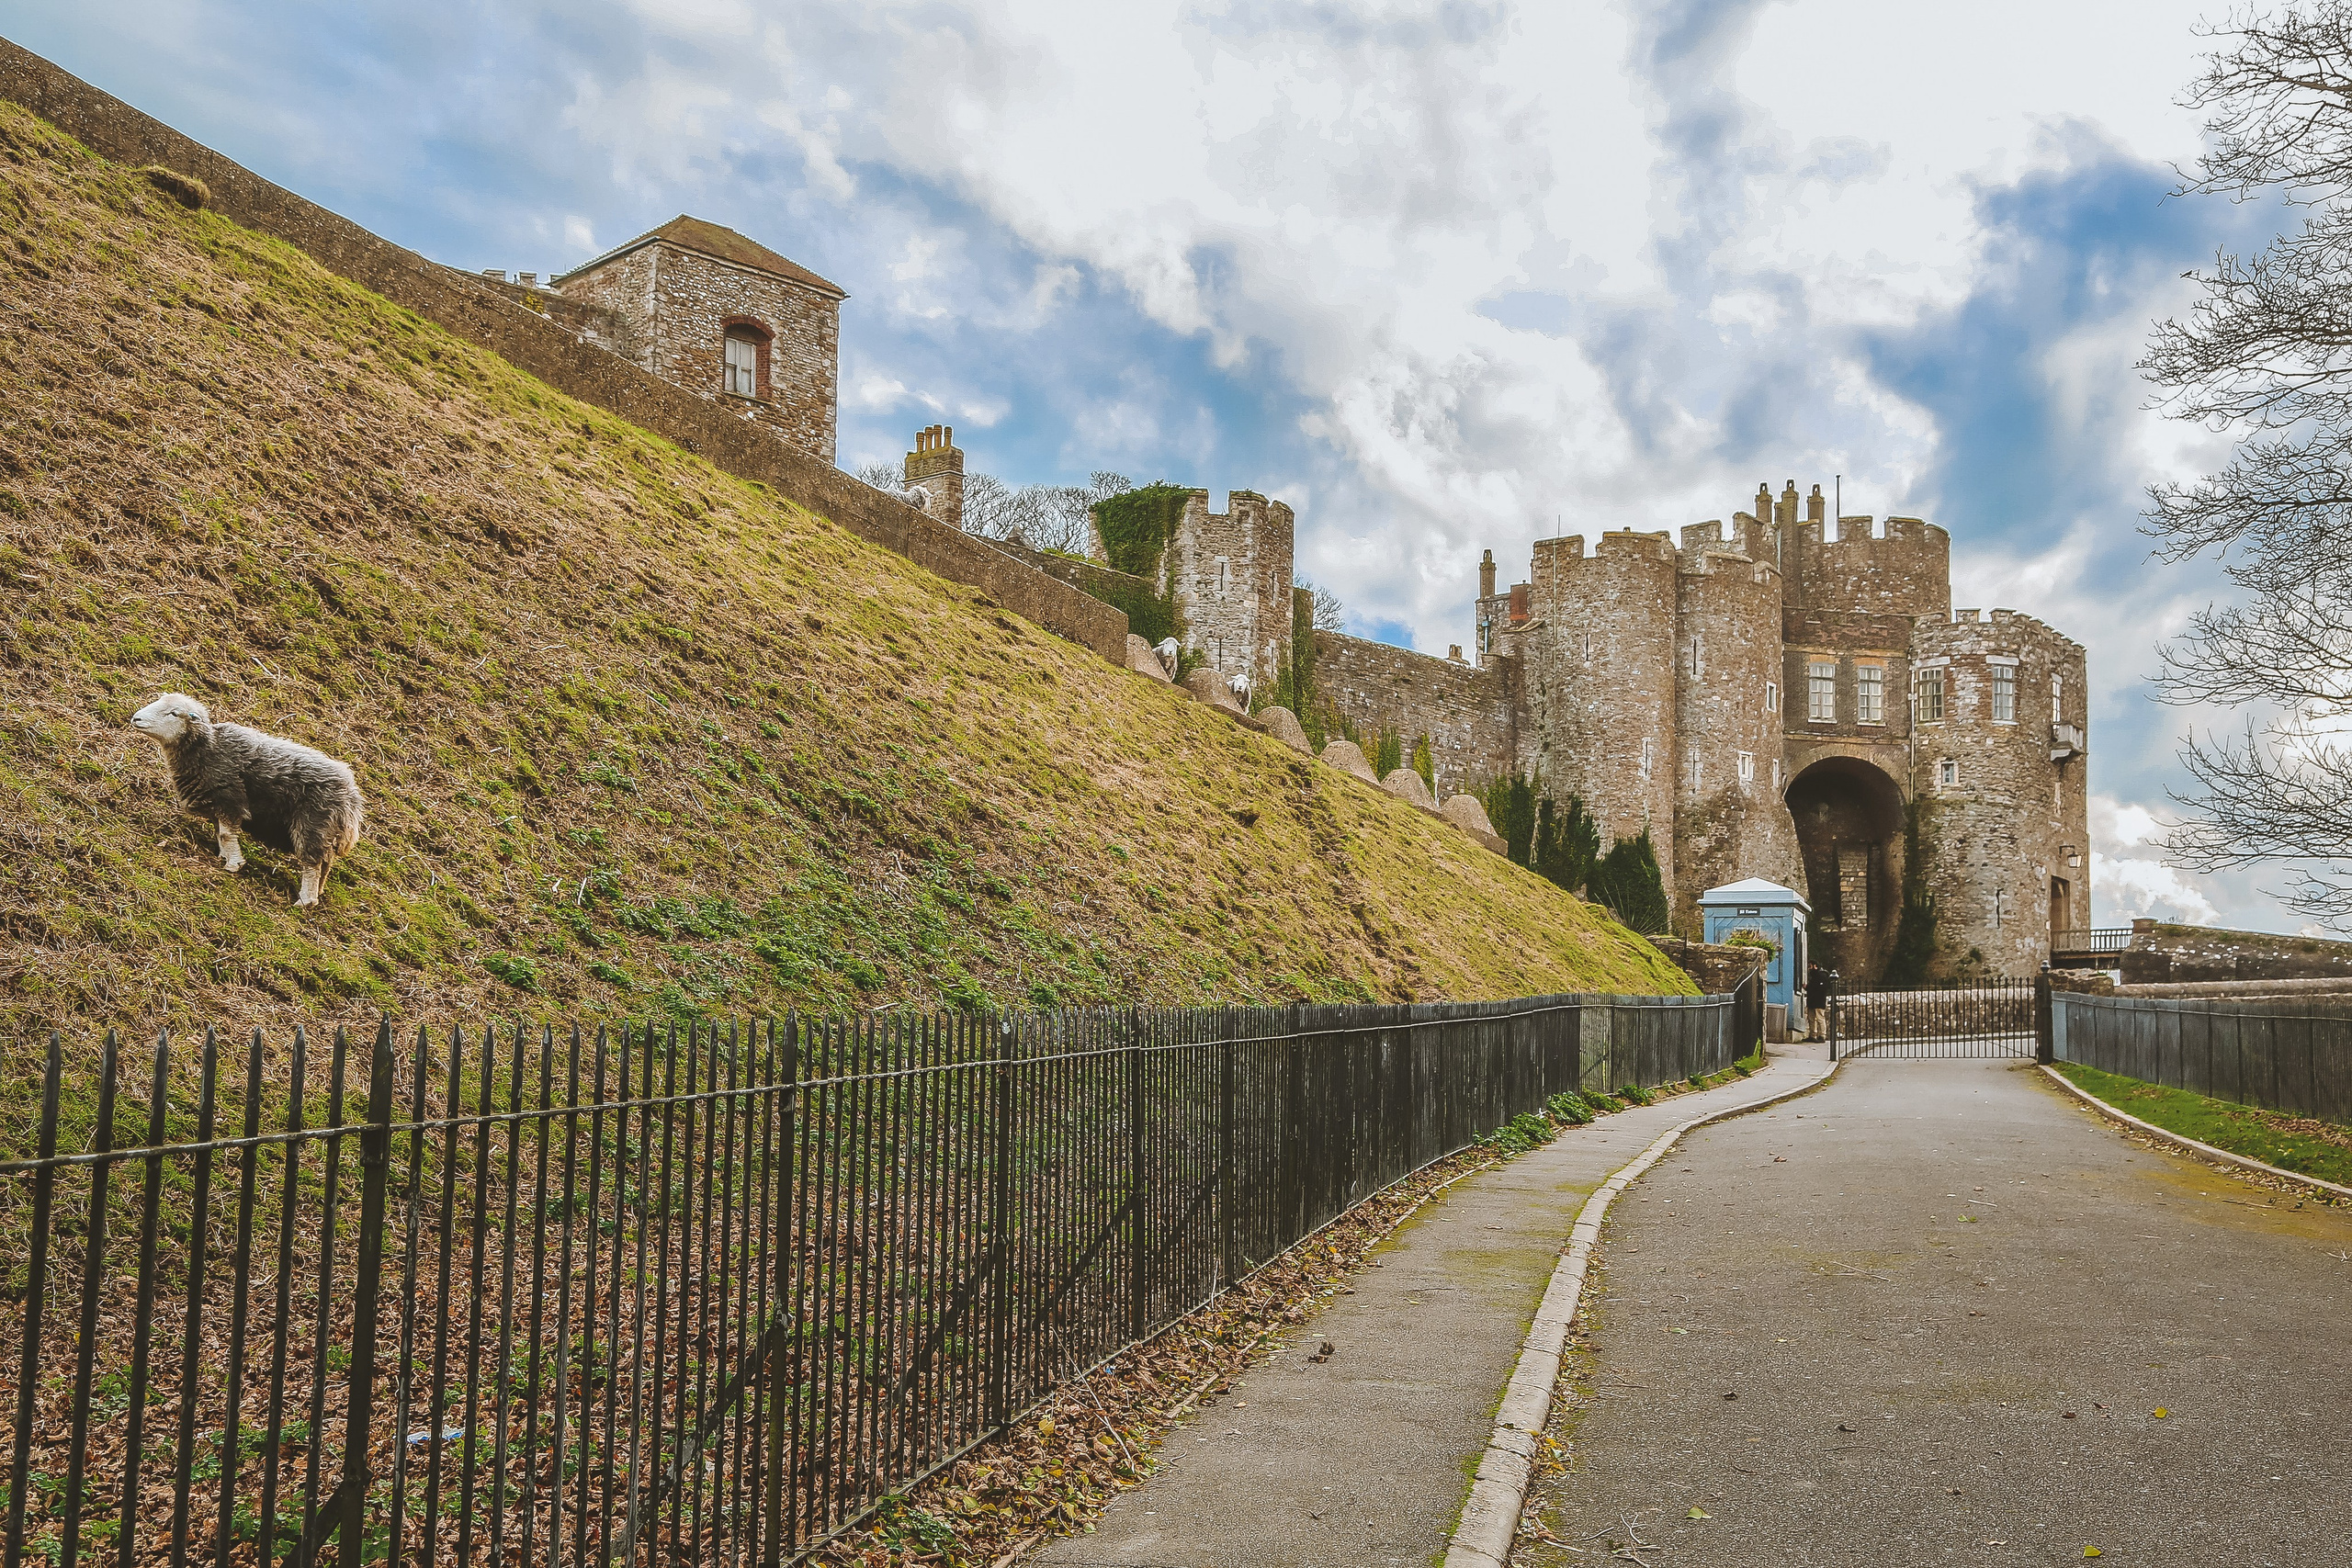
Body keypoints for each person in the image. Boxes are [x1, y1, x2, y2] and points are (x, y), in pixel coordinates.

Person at [1805, 962, 1830, 1040]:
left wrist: (1809, 988)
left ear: (1815, 966)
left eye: (1810, 966)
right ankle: (1813, 1035)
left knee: (1820, 1018)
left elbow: (1821, 989)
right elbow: (1813, 987)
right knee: (1811, 1018)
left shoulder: (1822, 976)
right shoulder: (1814, 976)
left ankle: (1822, 1035)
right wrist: (1807, 987)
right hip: (1812, 1001)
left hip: (1819, 1001)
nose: (1809, 968)